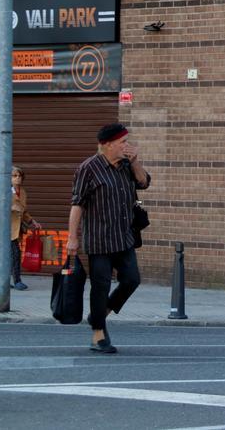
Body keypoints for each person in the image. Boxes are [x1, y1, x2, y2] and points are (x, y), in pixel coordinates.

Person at [67, 122, 151, 354]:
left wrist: (134, 162)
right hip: (99, 239)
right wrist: (72, 238)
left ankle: (99, 313)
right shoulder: (88, 168)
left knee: (132, 280)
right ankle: (97, 335)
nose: (127, 145)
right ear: (107, 145)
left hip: (124, 237)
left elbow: (143, 182)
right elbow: (77, 205)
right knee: (100, 287)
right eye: (122, 142)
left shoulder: (125, 165)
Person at [0, 166, 39, 290]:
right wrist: (10, 208)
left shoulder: (22, 192)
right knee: (15, 254)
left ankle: (4, 281)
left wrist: (32, 221)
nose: (18, 178)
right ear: (9, 178)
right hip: (6, 230)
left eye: (20, 176)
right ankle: (17, 281)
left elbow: (24, 211)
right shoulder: (4, 191)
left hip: (17, 230)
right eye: (14, 176)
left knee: (9, 256)